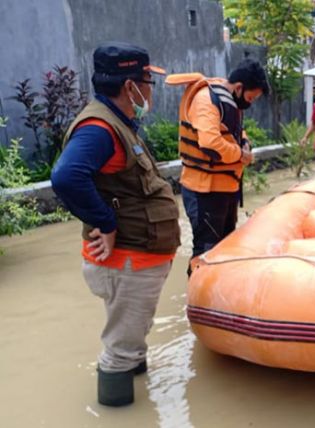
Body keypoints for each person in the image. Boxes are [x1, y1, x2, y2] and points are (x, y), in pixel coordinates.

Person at [51, 42, 180, 407]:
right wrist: (105, 222)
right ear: (130, 87)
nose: (150, 90)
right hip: (127, 261)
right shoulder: (99, 129)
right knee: (119, 350)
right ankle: (116, 408)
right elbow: (66, 177)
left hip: (135, 260)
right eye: (147, 81)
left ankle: (136, 384)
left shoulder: (118, 121)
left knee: (130, 337)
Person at [170, 59, 269, 273]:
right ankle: (197, 299)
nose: (250, 103)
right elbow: (210, 143)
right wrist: (240, 154)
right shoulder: (206, 100)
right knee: (206, 250)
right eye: (250, 98)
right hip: (204, 189)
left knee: (224, 247)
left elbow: (235, 132)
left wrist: (245, 143)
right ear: (239, 87)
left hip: (226, 189)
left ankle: (217, 295)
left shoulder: (230, 101)